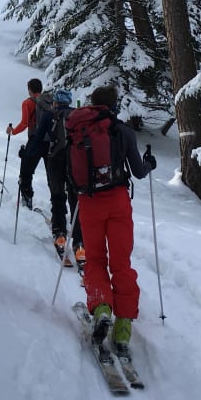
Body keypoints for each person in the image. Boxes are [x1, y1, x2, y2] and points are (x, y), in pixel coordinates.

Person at [78, 85, 156, 356]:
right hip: (118, 202)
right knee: (121, 263)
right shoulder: (122, 131)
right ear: (114, 105)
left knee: (96, 260)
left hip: (89, 203)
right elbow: (137, 171)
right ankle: (122, 327)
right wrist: (149, 164)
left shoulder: (81, 130)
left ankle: (101, 309)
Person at [32, 88, 84, 265]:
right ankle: (79, 242)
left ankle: (60, 233)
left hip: (55, 159)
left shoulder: (49, 115)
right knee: (75, 199)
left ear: (56, 101)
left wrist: (26, 154)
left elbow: (39, 138)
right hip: (75, 161)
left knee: (57, 195)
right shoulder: (78, 115)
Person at [6, 78, 50, 209]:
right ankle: (57, 206)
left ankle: (27, 200)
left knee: (26, 171)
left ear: (30, 89)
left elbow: (25, 123)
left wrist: (12, 132)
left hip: (35, 140)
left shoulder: (27, 103)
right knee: (52, 174)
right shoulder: (49, 101)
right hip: (51, 141)